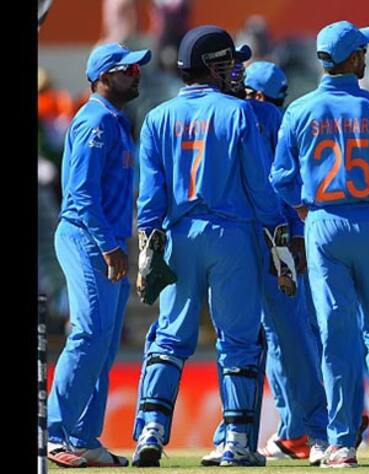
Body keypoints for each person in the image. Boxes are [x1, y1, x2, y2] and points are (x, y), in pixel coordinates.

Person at [271, 20, 369, 468]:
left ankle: (341, 442)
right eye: (362, 51)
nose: (367, 56)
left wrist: (303, 207)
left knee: (336, 336)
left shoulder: (299, 111)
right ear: (353, 58)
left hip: (323, 223)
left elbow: (280, 177)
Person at [131, 25, 286, 467]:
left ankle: (151, 432)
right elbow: (259, 185)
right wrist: (276, 235)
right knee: (238, 341)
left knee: (169, 338)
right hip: (232, 237)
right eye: (229, 62)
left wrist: (148, 241)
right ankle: (237, 439)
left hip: (178, 236)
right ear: (214, 65)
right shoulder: (237, 113)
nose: (235, 70)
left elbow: (151, 194)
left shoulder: (157, 117)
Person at [200, 60, 330, 467]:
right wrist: (294, 235)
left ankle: (235, 435)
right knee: (290, 339)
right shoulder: (274, 116)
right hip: (275, 240)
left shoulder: (237, 114)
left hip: (242, 238)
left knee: (243, 343)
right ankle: (314, 431)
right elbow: (293, 184)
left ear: (255, 94)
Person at [47, 42, 151, 468]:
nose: (137, 75)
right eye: (127, 69)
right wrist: (109, 246)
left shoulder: (115, 122)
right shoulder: (95, 121)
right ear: (104, 77)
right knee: (89, 334)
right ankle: (54, 433)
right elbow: (81, 194)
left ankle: (84, 437)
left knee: (103, 345)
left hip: (103, 241)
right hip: (86, 239)